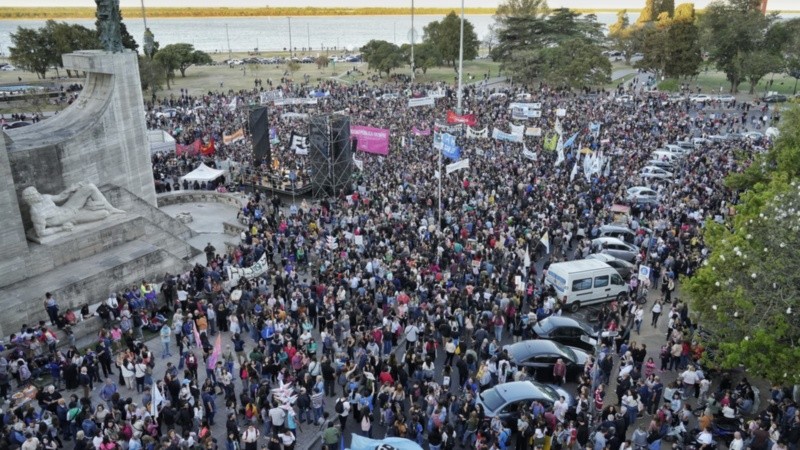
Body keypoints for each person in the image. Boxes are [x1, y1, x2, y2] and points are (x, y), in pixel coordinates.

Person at [22, 182, 124, 238]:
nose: (38, 194)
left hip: (68, 207)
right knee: (104, 214)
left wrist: (70, 189)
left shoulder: (45, 197)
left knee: (90, 187)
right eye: (35, 194)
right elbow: (41, 233)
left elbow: (60, 197)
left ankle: (112, 209)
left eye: (36, 192)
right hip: (71, 218)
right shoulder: (36, 213)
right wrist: (61, 229)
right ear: (31, 199)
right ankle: (90, 207)